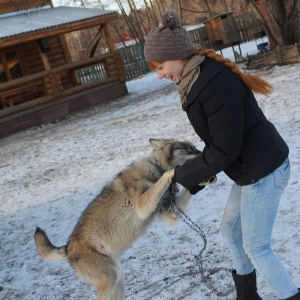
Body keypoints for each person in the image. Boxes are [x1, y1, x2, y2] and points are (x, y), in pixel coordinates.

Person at [143, 9, 299, 300]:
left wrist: (178, 176)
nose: (160, 74)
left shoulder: (214, 85)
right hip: (249, 170)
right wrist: (194, 174)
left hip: (265, 172)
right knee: (230, 230)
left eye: (160, 65)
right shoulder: (195, 78)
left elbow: (225, 149)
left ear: (178, 55)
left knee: (258, 248)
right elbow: (222, 144)